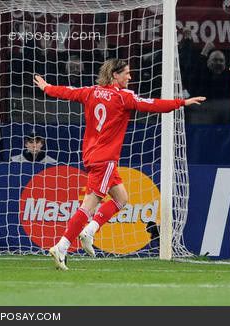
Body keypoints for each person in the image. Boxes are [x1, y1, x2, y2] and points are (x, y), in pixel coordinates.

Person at [33, 58, 206, 270]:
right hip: (105, 159)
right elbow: (152, 105)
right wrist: (181, 103)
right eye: (126, 73)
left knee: (121, 198)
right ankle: (62, 245)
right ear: (115, 75)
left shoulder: (91, 91)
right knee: (89, 205)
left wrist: (48, 87)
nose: (130, 77)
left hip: (91, 154)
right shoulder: (123, 97)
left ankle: (89, 231)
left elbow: (68, 92)